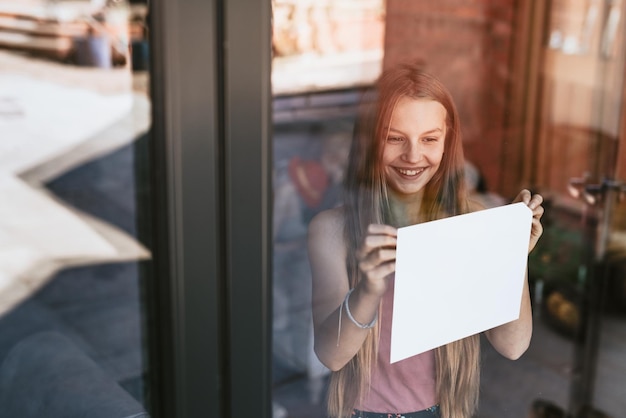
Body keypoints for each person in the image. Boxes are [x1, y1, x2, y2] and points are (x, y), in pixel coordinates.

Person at [307, 64, 544, 418]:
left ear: (448, 140)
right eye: (394, 137)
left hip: (444, 410)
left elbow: (512, 345)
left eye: (429, 139)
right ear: (371, 140)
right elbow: (331, 354)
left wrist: (512, 257)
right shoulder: (332, 230)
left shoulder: (471, 219)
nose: (413, 156)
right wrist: (367, 291)